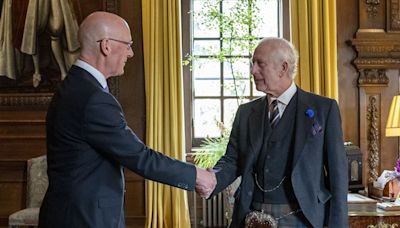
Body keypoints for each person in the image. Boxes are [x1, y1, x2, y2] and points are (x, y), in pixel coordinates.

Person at [38, 11, 216, 228]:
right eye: (128, 44)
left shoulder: (73, 87)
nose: (130, 53)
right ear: (106, 46)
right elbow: (140, 157)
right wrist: (197, 175)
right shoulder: (93, 98)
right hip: (85, 218)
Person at [203, 37, 348, 227]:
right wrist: (212, 178)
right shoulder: (246, 113)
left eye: (260, 64)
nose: (253, 70)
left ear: (283, 68)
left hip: (303, 219)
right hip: (251, 217)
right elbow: (233, 160)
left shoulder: (323, 109)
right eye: (252, 64)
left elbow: (338, 174)